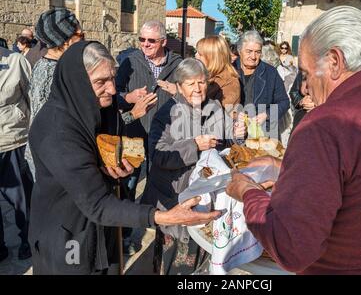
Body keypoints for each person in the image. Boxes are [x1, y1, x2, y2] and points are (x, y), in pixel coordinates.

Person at [226, 6, 361, 274]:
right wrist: (286, 168)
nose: (304, 88)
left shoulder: (325, 124)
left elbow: (291, 247)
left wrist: (248, 192)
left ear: (334, 61)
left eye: (306, 74)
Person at [27, 41, 219, 275]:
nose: (111, 88)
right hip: (68, 236)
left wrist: (109, 166)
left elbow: (106, 153)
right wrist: (163, 216)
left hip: (104, 229)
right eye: (100, 82)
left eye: (112, 78)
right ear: (77, 83)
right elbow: (95, 202)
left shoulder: (101, 109)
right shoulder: (56, 129)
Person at [141, 58, 242, 275]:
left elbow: (230, 143)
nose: (198, 88)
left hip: (207, 197)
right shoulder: (166, 114)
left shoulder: (214, 108)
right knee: (174, 263)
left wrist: (239, 134)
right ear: (178, 87)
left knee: (203, 261)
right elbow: (158, 154)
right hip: (175, 197)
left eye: (202, 82)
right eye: (190, 83)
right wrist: (194, 145)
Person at [116, 20, 182, 254]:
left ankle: (162, 230)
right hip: (134, 136)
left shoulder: (178, 64)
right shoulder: (130, 62)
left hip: (164, 137)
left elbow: (194, 96)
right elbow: (113, 95)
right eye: (141, 39)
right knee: (129, 184)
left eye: (151, 40)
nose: (145, 44)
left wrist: (179, 92)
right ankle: (124, 235)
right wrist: (128, 98)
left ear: (163, 42)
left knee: (162, 184)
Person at [25, 8, 85, 179]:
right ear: (65, 42)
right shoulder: (59, 74)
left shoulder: (42, 64)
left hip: (42, 154)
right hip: (53, 161)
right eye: (80, 35)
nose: (84, 39)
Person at [0, 46, 33, 262]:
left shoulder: (16, 61)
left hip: (13, 141)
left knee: (22, 199)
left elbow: (33, 97)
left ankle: (29, 239)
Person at [235, 31, 290, 138]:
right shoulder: (229, 70)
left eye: (257, 52)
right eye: (249, 51)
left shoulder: (270, 73)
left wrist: (267, 115)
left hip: (264, 134)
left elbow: (284, 102)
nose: (253, 56)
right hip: (236, 133)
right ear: (239, 50)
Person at [196, 35, 241, 112]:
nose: (196, 56)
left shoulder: (230, 83)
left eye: (200, 54)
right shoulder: (204, 75)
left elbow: (222, 115)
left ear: (212, 58)